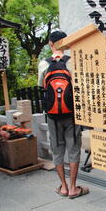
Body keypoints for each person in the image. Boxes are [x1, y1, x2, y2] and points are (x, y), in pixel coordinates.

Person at [38, 31, 89, 199]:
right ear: (65, 43)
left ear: (50, 44)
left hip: (53, 117)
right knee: (74, 149)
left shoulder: (44, 64)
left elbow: (41, 86)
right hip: (71, 115)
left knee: (57, 151)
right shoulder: (73, 62)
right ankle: (74, 188)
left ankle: (64, 188)